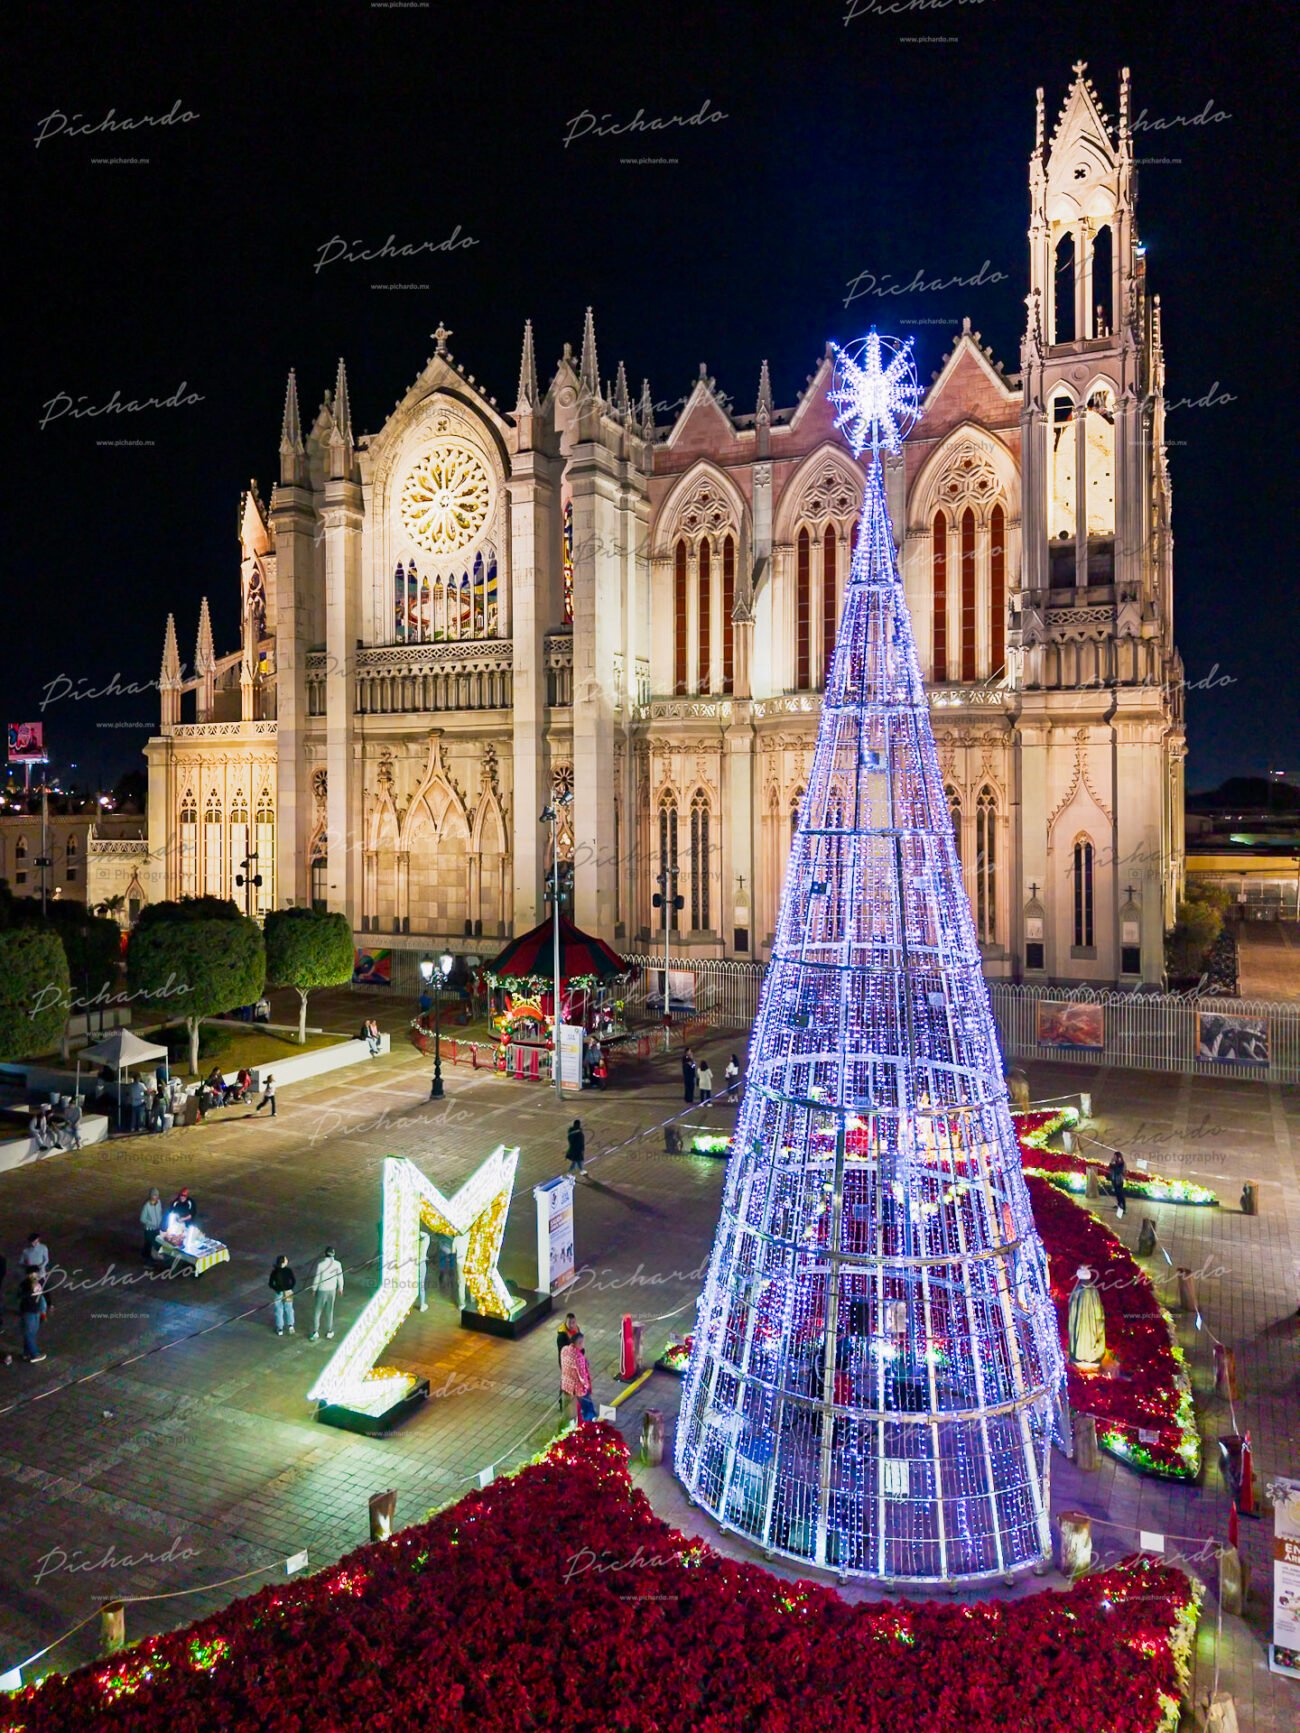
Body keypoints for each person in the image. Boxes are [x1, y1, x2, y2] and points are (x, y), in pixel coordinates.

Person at [560, 1329, 596, 1424]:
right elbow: (582, 1376)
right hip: (578, 1388)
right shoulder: (578, 1357)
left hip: (566, 1385)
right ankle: (590, 1423)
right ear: (579, 1343)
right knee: (587, 1405)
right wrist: (587, 1386)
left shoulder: (564, 1350)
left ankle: (570, 1425)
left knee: (570, 1409)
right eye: (582, 1342)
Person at [309, 1246, 345, 1340]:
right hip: (332, 1290)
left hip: (322, 1290)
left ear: (325, 1254)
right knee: (330, 1311)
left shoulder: (321, 1265)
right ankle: (329, 1331)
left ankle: (315, 1331)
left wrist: (314, 1289)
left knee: (318, 1311)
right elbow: (340, 1277)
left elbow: (317, 1277)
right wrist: (340, 1288)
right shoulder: (337, 1264)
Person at [19, 1276, 48, 1364]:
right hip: (29, 1314)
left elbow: (42, 1300)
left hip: (35, 1313)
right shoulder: (27, 1295)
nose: (38, 1287)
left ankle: (27, 1353)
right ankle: (34, 1355)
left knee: (32, 1333)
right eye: (35, 1285)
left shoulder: (36, 1291)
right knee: (29, 1334)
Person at [269, 1255, 296, 1335]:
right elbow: (293, 1281)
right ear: (284, 1262)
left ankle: (280, 1328)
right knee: (289, 1309)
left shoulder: (274, 1272)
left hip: (279, 1293)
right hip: (288, 1292)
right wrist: (290, 1288)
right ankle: (291, 1326)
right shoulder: (288, 1270)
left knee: (279, 1310)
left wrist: (276, 1289)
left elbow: (270, 1284)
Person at [556, 1311, 579, 1405]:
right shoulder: (562, 1335)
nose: (572, 1325)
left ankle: (573, 1399)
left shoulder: (576, 1329)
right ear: (566, 1322)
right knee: (565, 1381)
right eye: (570, 1322)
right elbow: (563, 1351)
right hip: (565, 1362)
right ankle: (562, 1401)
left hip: (575, 1361)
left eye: (573, 1322)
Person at [139, 1188, 164, 1260]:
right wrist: (151, 1223)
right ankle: (147, 1260)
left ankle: (154, 1257)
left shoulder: (159, 1202)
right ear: (151, 1196)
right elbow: (142, 1219)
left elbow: (159, 1212)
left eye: (157, 1195)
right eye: (154, 1195)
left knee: (157, 1243)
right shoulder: (147, 1206)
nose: (155, 1197)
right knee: (148, 1245)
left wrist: (160, 1220)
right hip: (149, 1230)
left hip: (156, 1228)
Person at [1107, 1150, 1128, 1219]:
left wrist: (1114, 1165)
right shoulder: (1115, 1162)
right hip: (1114, 1180)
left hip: (1119, 1181)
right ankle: (1119, 1205)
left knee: (1121, 1194)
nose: (1114, 1157)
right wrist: (1112, 1161)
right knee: (1117, 1193)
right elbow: (1110, 1166)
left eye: (1115, 1156)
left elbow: (1119, 1171)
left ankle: (1124, 1208)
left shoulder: (1121, 1163)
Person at [417, 1227, 430, 1311]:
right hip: (421, 1263)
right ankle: (422, 1305)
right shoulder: (426, 1238)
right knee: (421, 1284)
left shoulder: (412, 1237)